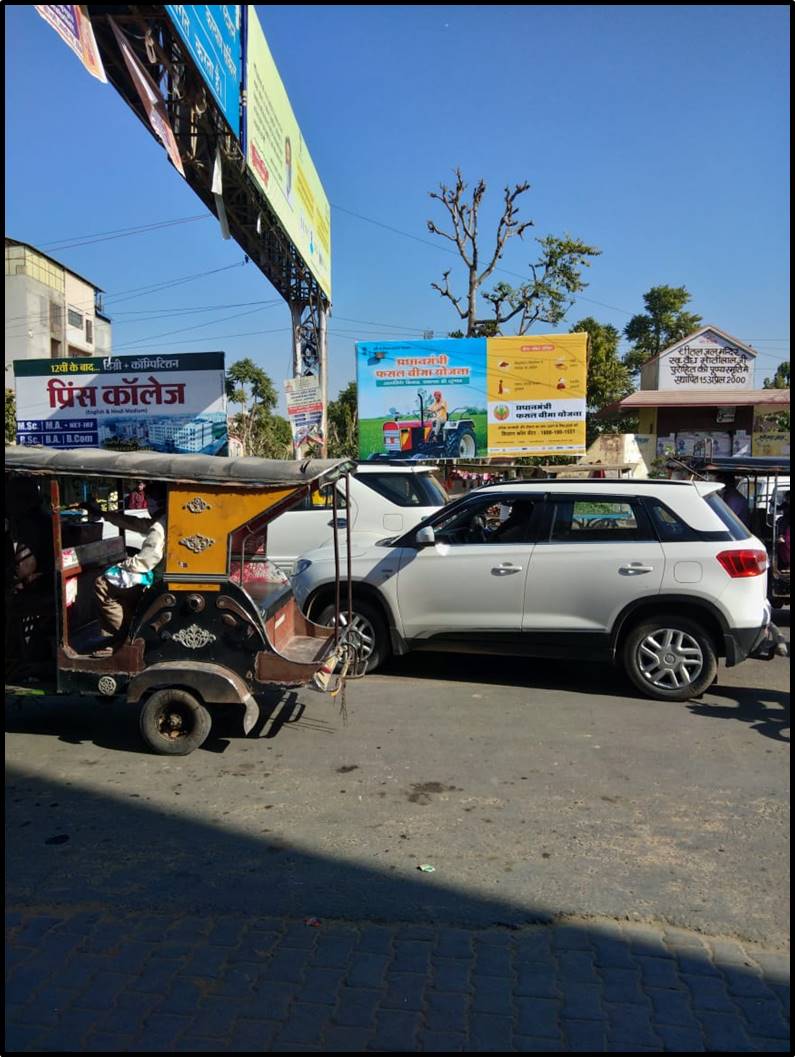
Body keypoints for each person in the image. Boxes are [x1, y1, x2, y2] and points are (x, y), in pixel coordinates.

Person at [87, 482, 167, 655]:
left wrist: (119, 567)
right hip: (159, 580)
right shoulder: (164, 519)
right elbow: (134, 523)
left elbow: (144, 561)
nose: (148, 505)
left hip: (159, 583)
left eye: (149, 500)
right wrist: (103, 514)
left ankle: (126, 639)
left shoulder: (161, 525)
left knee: (102, 584)